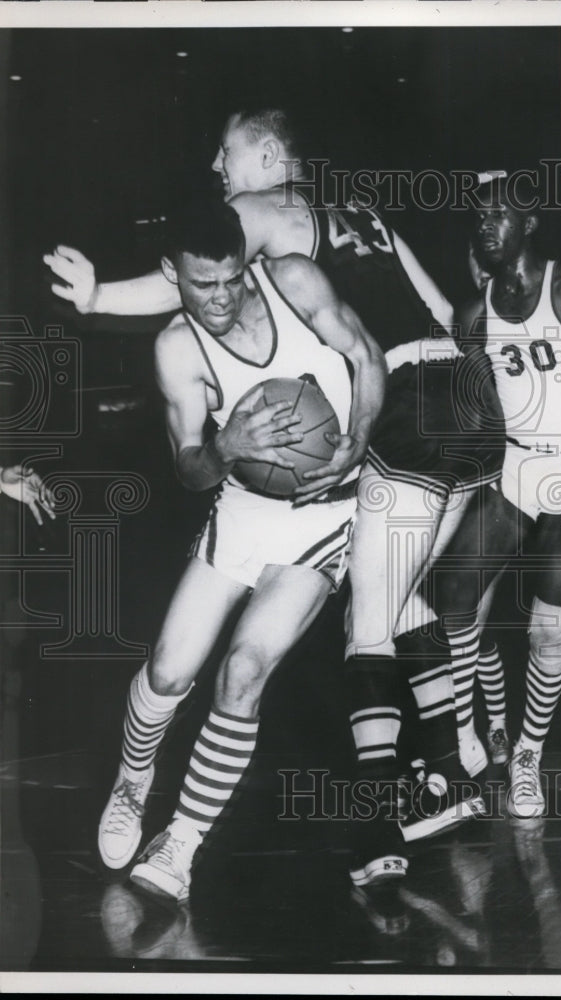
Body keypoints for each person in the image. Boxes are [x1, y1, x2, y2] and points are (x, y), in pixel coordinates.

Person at [45, 108, 505, 884]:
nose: (219, 172)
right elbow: (444, 312)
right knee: (378, 604)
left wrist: (95, 299)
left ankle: (230, 838)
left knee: (324, 639)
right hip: (451, 397)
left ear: (264, 157)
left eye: (226, 156)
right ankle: (453, 750)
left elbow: (174, 278)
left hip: (377, 427)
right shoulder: (357, 214)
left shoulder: (262, 224)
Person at [96, 199, 385, 903]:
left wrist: (360, 432)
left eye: (231, 280)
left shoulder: (292, 280)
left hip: (325, 512)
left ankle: (181, 844)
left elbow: (366, 356)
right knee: (167, 674)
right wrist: (227, 447)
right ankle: (135, 780)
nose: (221, 298)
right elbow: (187, 468)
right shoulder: (177, 347)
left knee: (245, 667)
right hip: (244, 511)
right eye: (203, 286)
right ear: (173, 275)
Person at [431, 170, 561, 819]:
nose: (485, 224)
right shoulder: (475, 316)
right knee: (451, 594)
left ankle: (527, 754)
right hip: (517, 470)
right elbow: (482, 403)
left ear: (529, 223)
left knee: (547, 631)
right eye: (477, 216)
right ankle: (465, 733)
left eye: (498, 213)